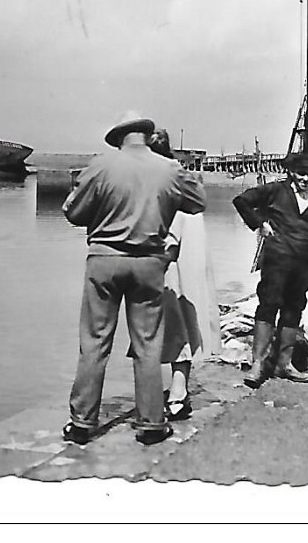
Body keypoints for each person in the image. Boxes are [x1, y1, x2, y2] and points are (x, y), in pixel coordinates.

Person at [62, 112, 206, 446]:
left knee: (95, 341)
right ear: (146, 135)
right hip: (149, 263)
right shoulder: (169, 168)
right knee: (148, 343)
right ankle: (152, 423)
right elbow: (198, 203)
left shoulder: (101, 165)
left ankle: (82, 422)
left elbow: (73, 213)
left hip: (104, 261)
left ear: (119, 138)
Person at [127, 129, 220, 422]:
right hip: (175, 267)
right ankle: (174, 391)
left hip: (169, 269)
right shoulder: (179, 180)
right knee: (174, 331)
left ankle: (177, 393)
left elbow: (170, 237)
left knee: (172, 332)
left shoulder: (165, 184)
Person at [233, 152, 308, 388]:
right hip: (276, 261)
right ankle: (258, 364)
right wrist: (260, 224)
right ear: (292, 173)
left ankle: (285, 363)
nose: (305, 179)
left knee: (294, 309)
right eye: (301, 174)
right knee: (268, 306)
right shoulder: (276, 191)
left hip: (303, 263)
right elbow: (241, 201)